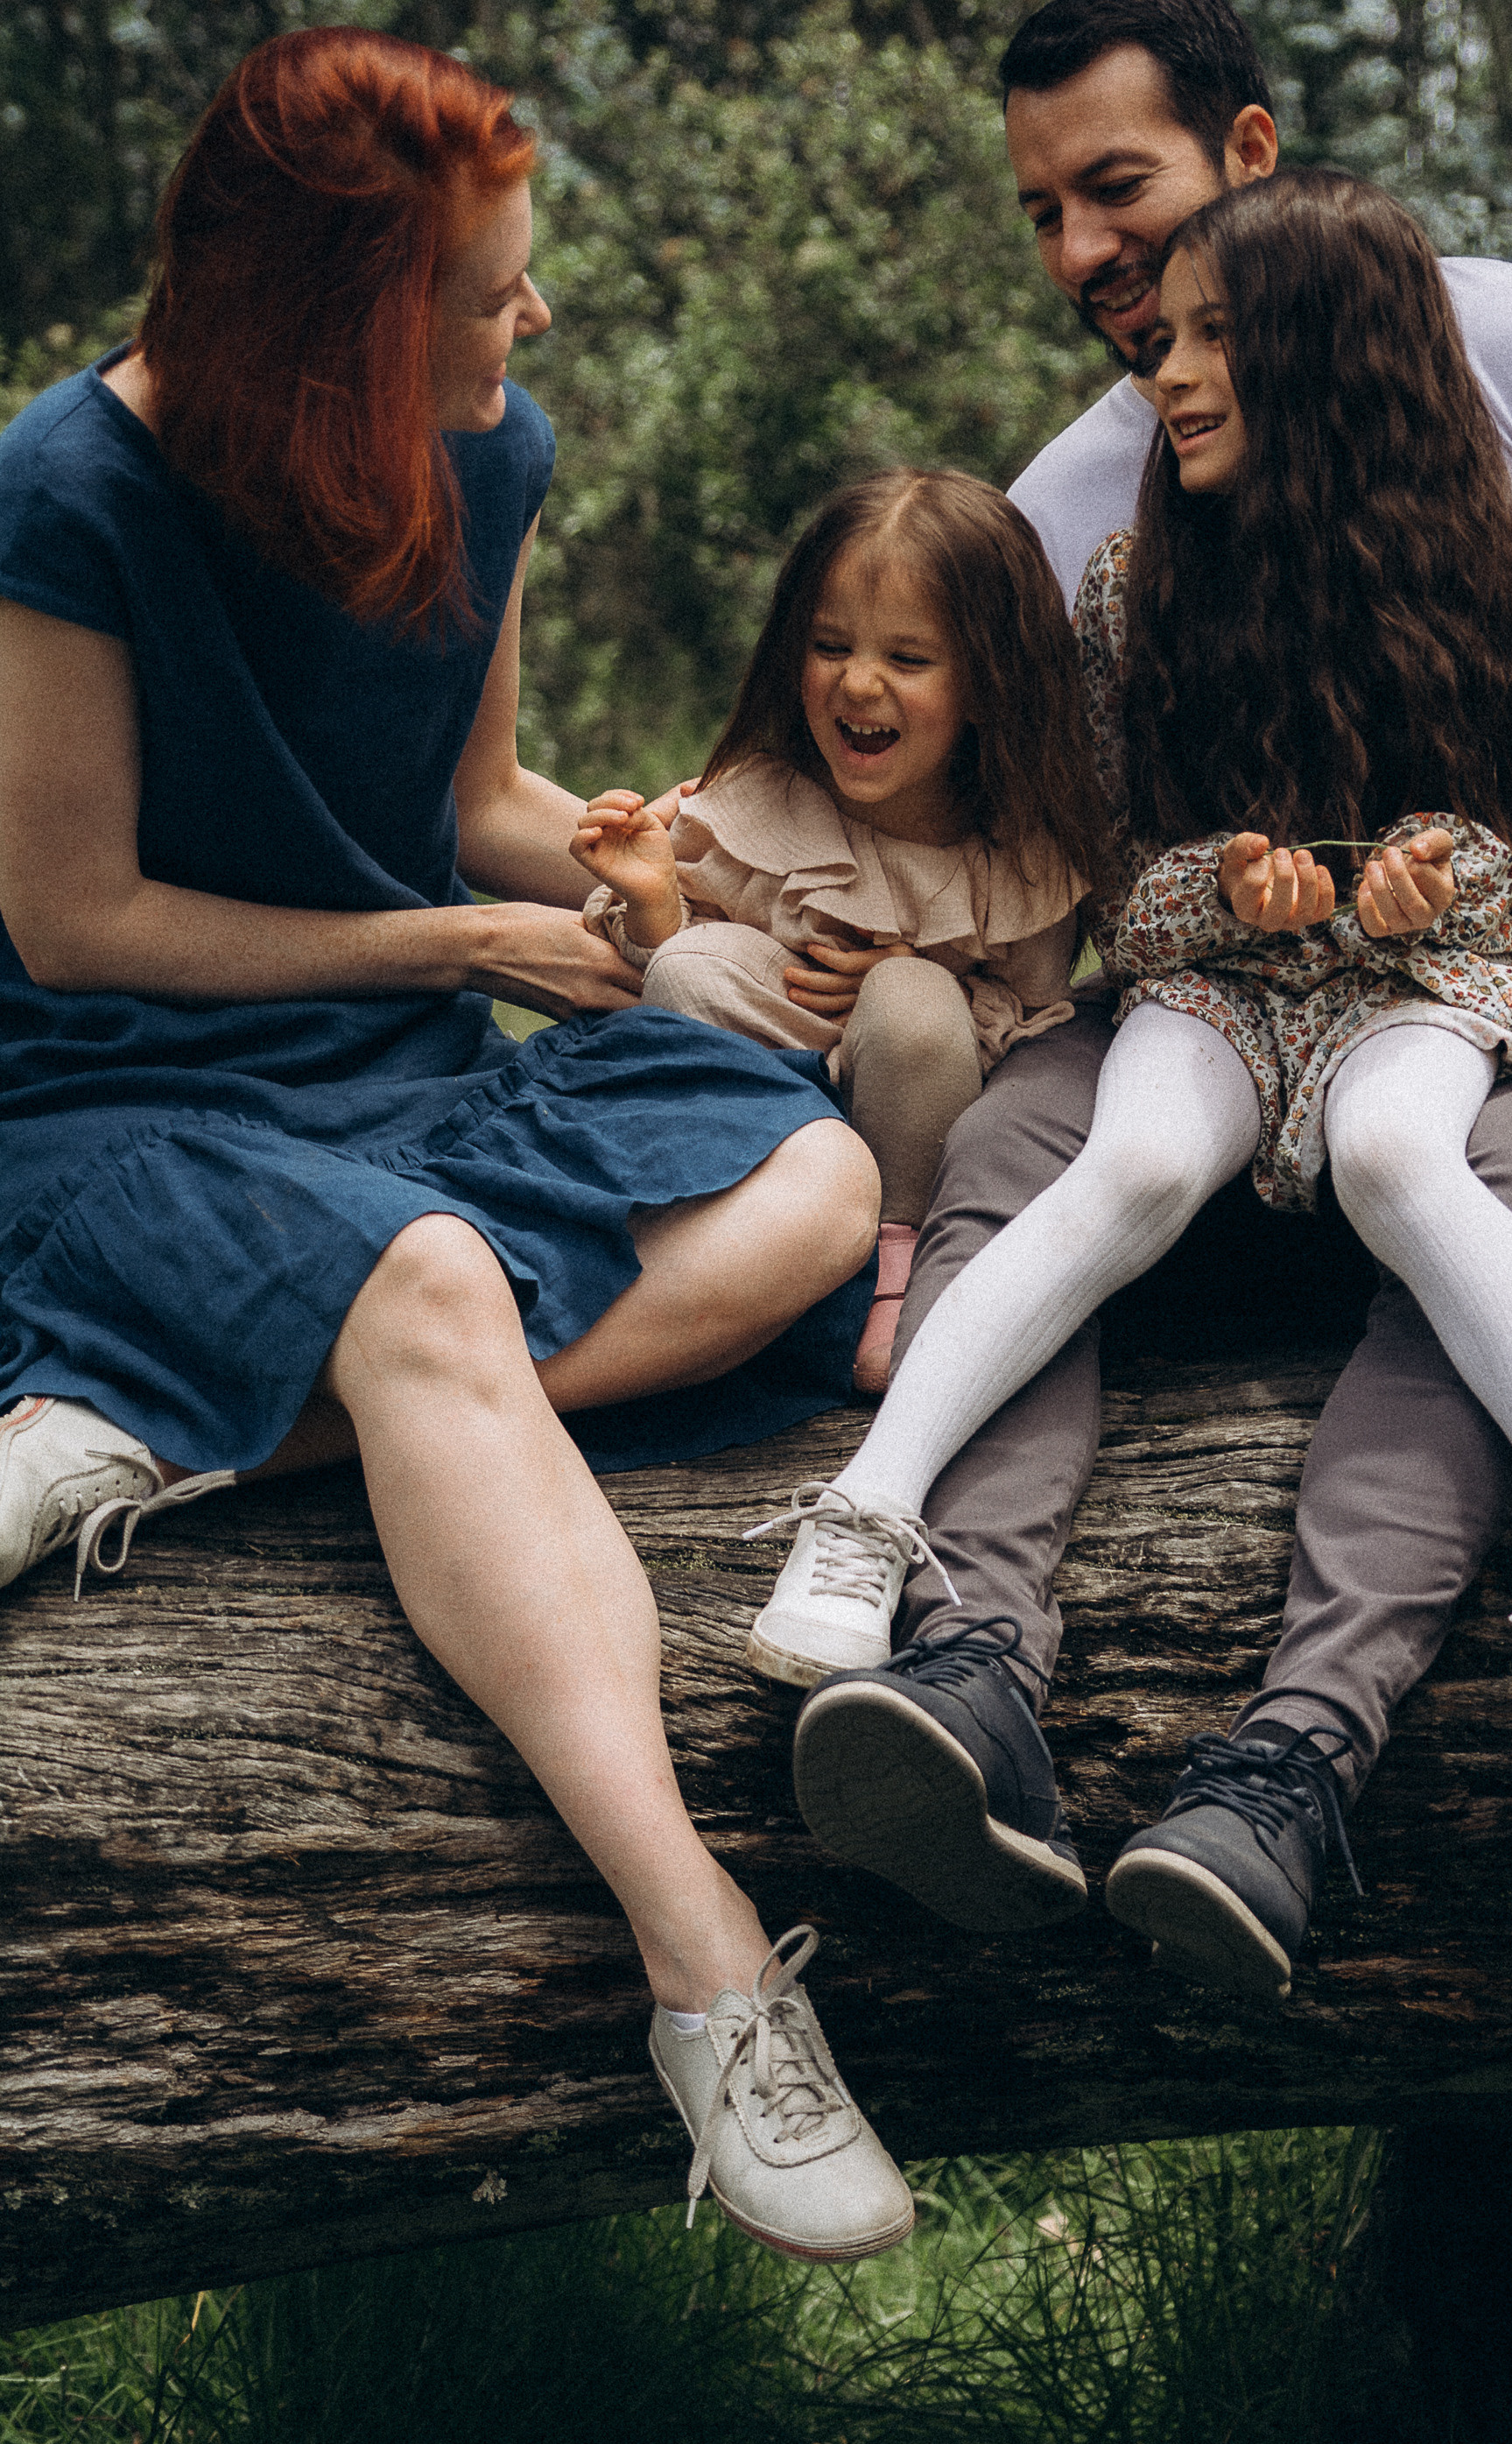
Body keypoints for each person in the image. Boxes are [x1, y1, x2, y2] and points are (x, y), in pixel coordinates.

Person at [0, 29, 913, 2260]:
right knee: (425, 1285)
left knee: (817, 1179)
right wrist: (467, 931)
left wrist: (611, 857)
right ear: (347, 334)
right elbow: (69, 911)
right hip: (116, 1101)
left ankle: (192, 1433)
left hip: (402, 1083)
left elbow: (478, 799)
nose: (536, 321)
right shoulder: (64, 492)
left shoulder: (488, 456)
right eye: (495, 290)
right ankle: (702, 1963)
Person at [742, 0, 1512, 1991]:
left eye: (1110, 192)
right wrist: (734, 890)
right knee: (1039, 1135)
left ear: (1256, 159)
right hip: (1206, 999)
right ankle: (960, 1655)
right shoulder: (1082, 509)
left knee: (1444, 1172)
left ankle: (1295, 1756)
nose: (1081, 262)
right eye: (1040, 212)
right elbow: (1052, 826)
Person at [573, 469, 1106, 1402]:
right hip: (772, 1102)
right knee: (696, 964)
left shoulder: (1013, 852)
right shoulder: (764, 800)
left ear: (987, 684)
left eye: (907, 660)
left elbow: (1031, 1011)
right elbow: (674, 956)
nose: (858, 682)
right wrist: (654, 897)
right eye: (829, 647)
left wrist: (910, 975)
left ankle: (894, 1276)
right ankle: (723, 1227)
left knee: (908, 1000)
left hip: (916, 1115)